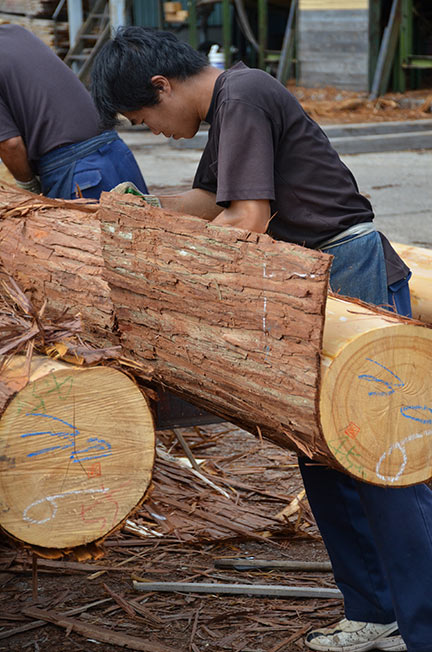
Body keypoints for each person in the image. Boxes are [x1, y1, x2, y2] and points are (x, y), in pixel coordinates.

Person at [91, 27, 432, 652]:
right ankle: (374, 610)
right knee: (319, 453)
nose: (153, 131)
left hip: (347, 274)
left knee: (382, 459)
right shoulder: (228, 105)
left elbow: (246, 220)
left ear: (163, 85)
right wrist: (143, 207)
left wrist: (170, 266)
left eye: (145, 116)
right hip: (309, 281)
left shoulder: (242, 94)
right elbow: (205, 198)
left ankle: (425, 624)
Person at [0, 24, 148, 200]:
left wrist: (29, 187)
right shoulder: (15, 32)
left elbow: (10, 144)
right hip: (116, 152)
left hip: (77, 172)